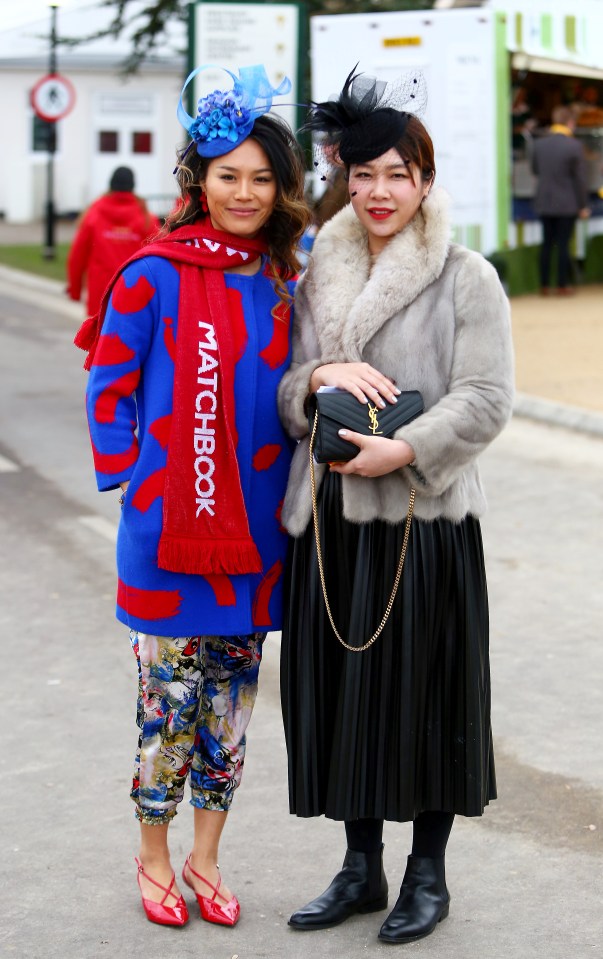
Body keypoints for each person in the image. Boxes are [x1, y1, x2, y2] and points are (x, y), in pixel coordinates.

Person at [277, 68, 514, 945]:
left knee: (428, 697)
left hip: (425, 519)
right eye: (362, 174)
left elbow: (487, 398)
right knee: (342, 699)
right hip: (334, 524)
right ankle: (358, 866)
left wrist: (406, 449)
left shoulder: (465, 277)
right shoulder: (316, 277)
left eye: (397, 175)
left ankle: (427, 874)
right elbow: (285, 391)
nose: (378, 192)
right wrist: (319, 377)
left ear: (423, 180)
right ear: (343, 178)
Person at [75, 65, 310, 929]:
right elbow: (110, 382)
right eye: (226, 175)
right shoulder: (151, 273)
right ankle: (154, 858)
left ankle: (208, 857)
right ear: (196, 181)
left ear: (278, 186)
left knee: (230, 709)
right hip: (167, 532)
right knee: (165, 709)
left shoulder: (287, 277)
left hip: (253, 536)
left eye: (260, 177)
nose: (244, 193)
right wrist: (137, 472)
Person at [67, 166, 160, 315]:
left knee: (99, 337)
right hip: (136, 294)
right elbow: (160, 260)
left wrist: (75, 290)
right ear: (133, 186)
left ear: (110, 185)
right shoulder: (147, 218)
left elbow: (77, 256)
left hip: (100, 295)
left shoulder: (93, 214)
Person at [531, 104, 590, 295]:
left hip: (544, 200)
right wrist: (583, 204)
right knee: (564, 244)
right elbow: (580, 179)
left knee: (547, 243)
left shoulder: (539, 144)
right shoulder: (574, 146)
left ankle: (544, 285)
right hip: (567, 202)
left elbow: (535, 170)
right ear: (570, 122)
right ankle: (562, 285)